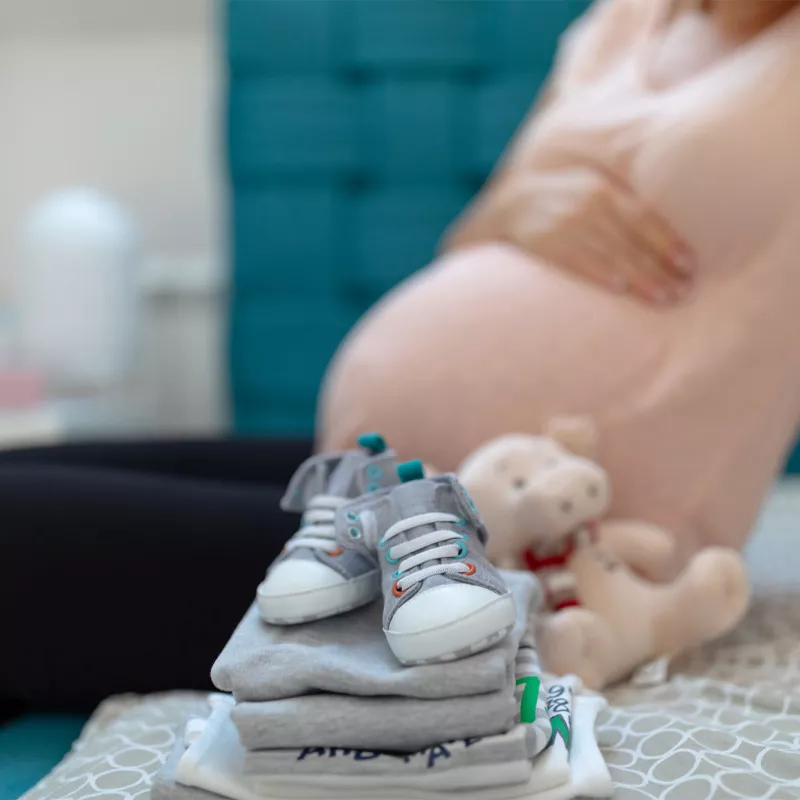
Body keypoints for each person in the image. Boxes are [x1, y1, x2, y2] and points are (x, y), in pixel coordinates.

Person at [319, 0, 800, 564]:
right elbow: (470, 232)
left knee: (192, 533)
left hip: (590, 550)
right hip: (384, 491)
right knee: (190, 490)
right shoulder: (620, 18)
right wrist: (513, 211)